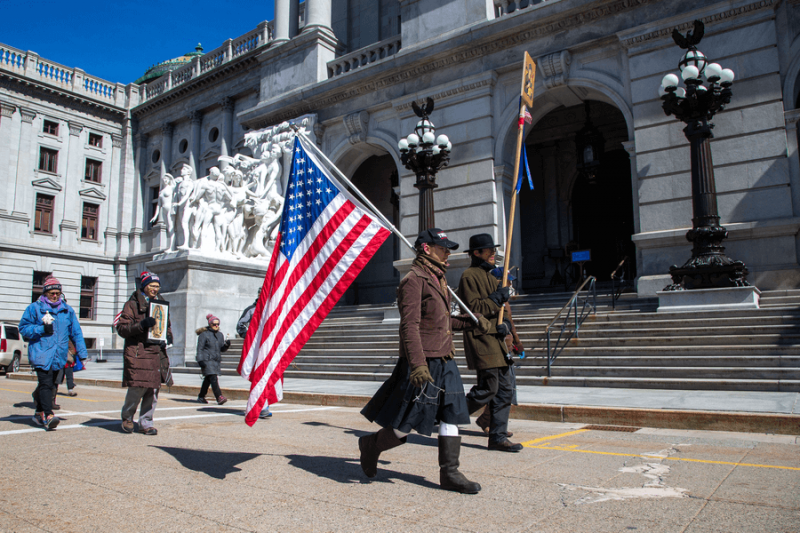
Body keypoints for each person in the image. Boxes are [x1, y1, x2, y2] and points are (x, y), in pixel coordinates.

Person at [359, 228, 492, 494]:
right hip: (425, 363)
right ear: (426, 249)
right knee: (404, 426)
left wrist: (472, 322)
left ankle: (450, 473)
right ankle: (371, 445)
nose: (448, 255)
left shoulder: (438, 278)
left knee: (451, 415)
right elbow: (409, 326)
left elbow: (443, 322)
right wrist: (418, 364)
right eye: (444, 249)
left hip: (446, 359)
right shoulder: (413, 280)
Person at [457, 233, 523, 452]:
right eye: (489, 250)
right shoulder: (469, 276)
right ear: (477, 253)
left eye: (493, 250)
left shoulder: (490, 276)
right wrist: (496, 299)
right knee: (488, 388)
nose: (494, 254)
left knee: (505, 391)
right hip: (481, 341)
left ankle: (497, 436)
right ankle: (450, 415)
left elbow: (497, 311)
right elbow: (474, 310)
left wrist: (505, 327)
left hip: (496, 340)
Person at [19, 276, 88, 430]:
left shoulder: (67, 310)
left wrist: (82, 353)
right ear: (45, 293)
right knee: (45, 383)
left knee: (51, 385)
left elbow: (76, 332)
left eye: (58, 293)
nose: (55, 296)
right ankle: (48, 415)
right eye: (52, 293)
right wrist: (41, 329)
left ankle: (38, 413)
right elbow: (23, 328)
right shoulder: (34, 308)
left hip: (59, 355)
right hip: (41, 352)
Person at [116, 271, 172, 436]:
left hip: (156, 352)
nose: (154, 289)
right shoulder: (131, 304)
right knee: (137, 388)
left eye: (157, 286)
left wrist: (167, 336)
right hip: (139, 351)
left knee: (153, 390)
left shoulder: (161, 303)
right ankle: (127, 416)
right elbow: (122, 328)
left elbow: (166, 324)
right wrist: (141, 325)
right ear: (144, 286)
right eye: (151, 286)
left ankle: (146, 422)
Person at [236, 288, 271, 418]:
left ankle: (263, 404)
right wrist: (251, 338)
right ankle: (261, 405)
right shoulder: (251, 309)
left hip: (268, 347)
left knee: (266, 375)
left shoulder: (272, 308)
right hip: (256, 348)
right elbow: (240, 325)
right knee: (258, 375)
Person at [196, 313, 230, 405]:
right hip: (207, 360)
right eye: (214, 324)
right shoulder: (204, 335)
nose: (216, 326)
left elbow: (222, 349)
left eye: (218, 324)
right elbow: (200, 348)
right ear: (210, 324)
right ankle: (219, 396)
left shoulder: (220, 335)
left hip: (216, 360)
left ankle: (201, 396)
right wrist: (200, 360)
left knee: (208, 379)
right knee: (213, 378)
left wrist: (227, 345)